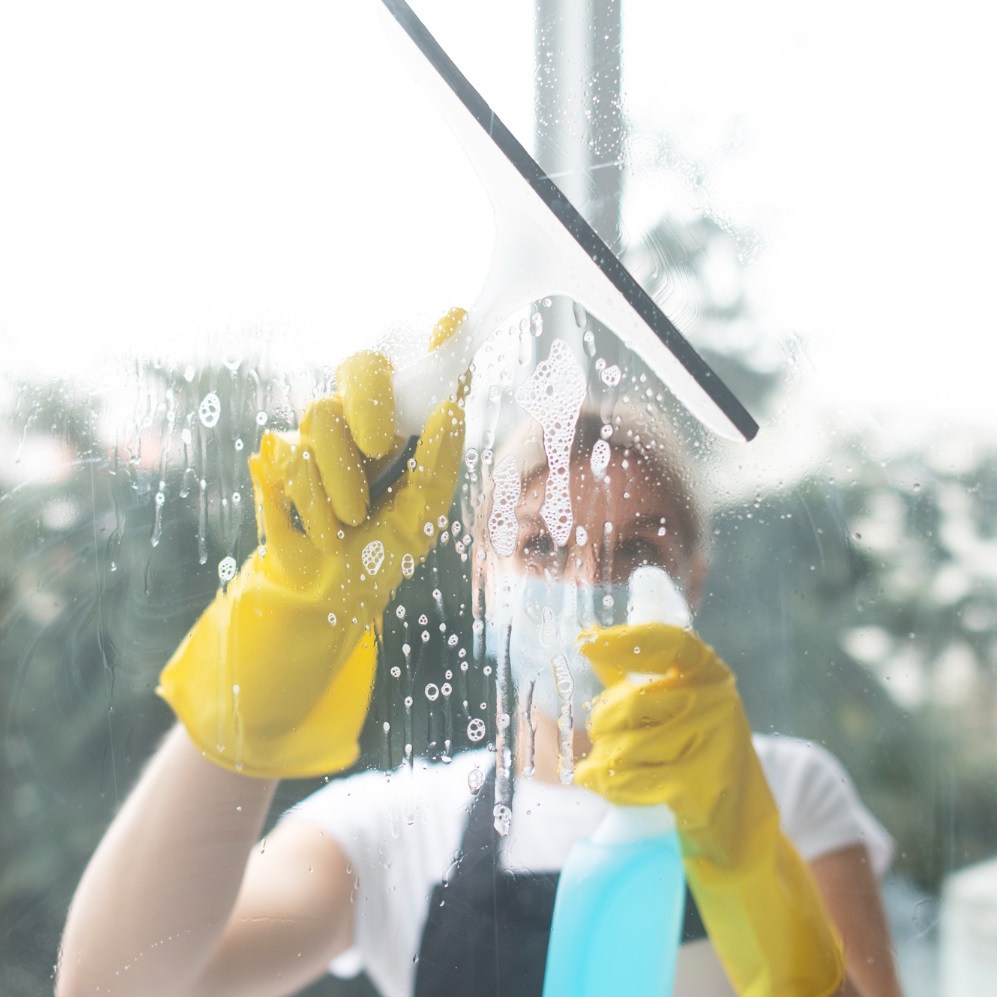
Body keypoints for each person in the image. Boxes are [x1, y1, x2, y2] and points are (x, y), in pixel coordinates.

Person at [56, 312, 904, 997]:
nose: (586, 583)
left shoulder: (784, 792)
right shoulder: (393, 831)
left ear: (692, 583)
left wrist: (744, 853)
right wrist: (259, 670)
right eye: (540, 545)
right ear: (482, 577)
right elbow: (116, 985)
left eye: (635, 552)